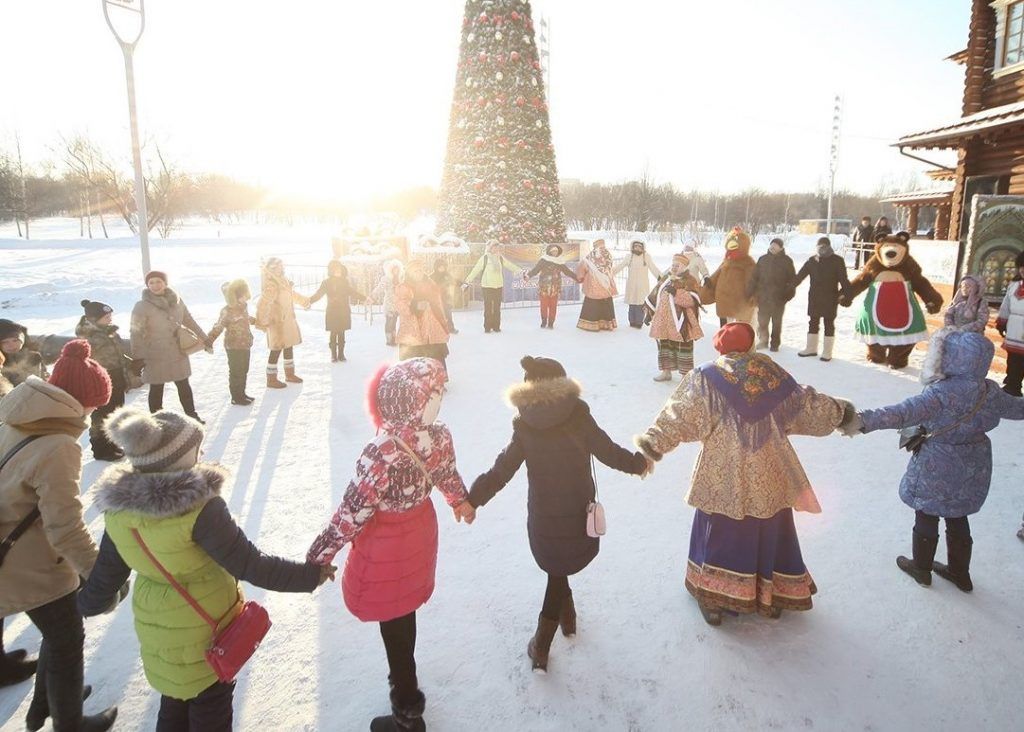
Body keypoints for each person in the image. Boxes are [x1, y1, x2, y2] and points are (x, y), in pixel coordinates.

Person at [78, 406, 332, 730]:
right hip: (207, 630)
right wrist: (309, 574)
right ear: (178, 459)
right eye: (196, 449)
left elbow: (106, 576)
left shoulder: (117, 512)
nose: (202, 453)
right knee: (210, 708)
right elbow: (250, 564)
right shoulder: (200, 509)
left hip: (158, 629)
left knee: (174, 701)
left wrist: (83, 605)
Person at [636, 323, 851, 626]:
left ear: (720, 348)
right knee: (769, 523)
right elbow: (807, 405)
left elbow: (678, 416)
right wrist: (841, 412)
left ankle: (713, 598)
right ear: (749, 347)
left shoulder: (705, 378)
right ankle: (771, 592)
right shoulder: (774, 376)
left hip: (723, 473)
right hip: (770, 472)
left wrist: (650, 447)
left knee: (720, 527)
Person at [307, 358, 473, 731]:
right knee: (402, 611)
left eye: (439, 393)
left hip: (388, 546)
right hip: (418, 533)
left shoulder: (384, 449)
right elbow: (444, 472)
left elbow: (353, 510)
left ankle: (407, 711)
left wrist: (319, 556)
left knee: (394, 619)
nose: (439, 400)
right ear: (408, 400)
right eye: (432, 394)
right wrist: (457, 500)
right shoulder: (437, 436)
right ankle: (406, 692)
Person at [467, 356, 649, 672]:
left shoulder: (525, 426)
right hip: (577, 509)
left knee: (556, 566)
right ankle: (558, 627)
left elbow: (502, 470)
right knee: (558, 569)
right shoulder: (578, 416)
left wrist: (473, 499)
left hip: (544, 514)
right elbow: (608, 451)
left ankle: (546, 639)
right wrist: (637, 463)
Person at [840, 330, 1024, 592]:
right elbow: (1018, 409)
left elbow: (902, 413)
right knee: (958, 513)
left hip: (937, 460)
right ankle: (960, 573)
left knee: (927, 509)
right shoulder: (990, 391)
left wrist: (862, 420)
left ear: (954, 358)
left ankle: (921, 568)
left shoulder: (940, 393)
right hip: (974, 461)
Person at [0, 341, 118, 731]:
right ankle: (69, 723)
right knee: (67, 638)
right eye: (94, 405)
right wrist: (99, 575)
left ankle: (45, 703)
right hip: (23, 561)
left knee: (57, 628)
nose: (93, 413)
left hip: (10, 545)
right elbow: (64, 524)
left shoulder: (16, 415)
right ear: (81, 401)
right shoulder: (58, 446)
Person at [130, 270, 210, 422]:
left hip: (177, 351)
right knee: (156, 388)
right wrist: (137, 357)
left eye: (158, 281)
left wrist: (204, 338)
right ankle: (157, 421)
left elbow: (188, 320)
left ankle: (192, 416)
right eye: (151, 282)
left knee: (184, 385)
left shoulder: (177, 301)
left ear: (165, 283)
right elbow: (135, 332)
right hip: (155, 354)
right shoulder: (142, 306)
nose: (155, 285)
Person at [76, 300, 133, 459]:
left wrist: (130, 363)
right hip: (99, 379)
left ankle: (112, 443)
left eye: (110, 315)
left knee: (115, 412)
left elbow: (117, 353)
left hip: (117, 376)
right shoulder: (87, 337)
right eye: (106, 316)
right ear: (93, 319)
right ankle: (100, 449)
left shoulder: (109, 331)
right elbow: (83, 361)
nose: (110, 318)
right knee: (101, 415)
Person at [645, 253, 704, 382]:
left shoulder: (690, 280)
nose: (674, 267)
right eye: (673, 265)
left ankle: (685, 376)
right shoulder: (666, 278)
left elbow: (694, 300)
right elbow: (655, 294)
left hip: (682, 323)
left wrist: (677, 293)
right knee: (665, 346)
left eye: (677, 265)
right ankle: (666, 372)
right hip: (664, 321)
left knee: (683, 348)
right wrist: (648, 313)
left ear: (684, 267)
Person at [256, 257, 311, 389]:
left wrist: (304, 301)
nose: (282, 268)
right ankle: (271, 378)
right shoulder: (272, 284)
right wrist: (261, 320)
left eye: (282, 266)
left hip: (287, 321)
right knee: (276, 349)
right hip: (277, 322)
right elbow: (263, 303)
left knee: (288, 346)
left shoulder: (282, 281)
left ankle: (289, 374)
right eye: (279, 266)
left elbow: (291, 294)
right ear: (273, 268)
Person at [793, 237, 850, 362]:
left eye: (825, 246)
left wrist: (847, 295)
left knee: (828, 323)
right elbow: (800, 276)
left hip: (830, 297)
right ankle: (811, 348)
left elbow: (844, 280)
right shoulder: (812, 260)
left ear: (829, 247)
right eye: (820, 246)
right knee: (813, 321)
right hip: (815, 296)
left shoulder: (837, 261)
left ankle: (827, 351)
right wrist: (788, 287)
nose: (822, 248)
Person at [207, 279, 257, 405]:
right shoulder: (227, 310)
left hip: (245, 343)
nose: (246, 298)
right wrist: (210, 339)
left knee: (244, 369)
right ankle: (236, 397)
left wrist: (255, 321)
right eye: (243, 296)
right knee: (236, 371)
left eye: (246, 296)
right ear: (235, 297)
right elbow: (219, 326)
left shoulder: (243, 307)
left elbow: (245, 318)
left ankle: (242, 393)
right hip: (233, 345)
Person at [396, 260, 451, 373]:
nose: (418, 273)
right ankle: (414, 378)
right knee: (413, 352)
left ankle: (436, 378)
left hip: (431, 323)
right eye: (415, 271)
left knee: (434, 351)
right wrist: (414, 306)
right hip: (412, 325)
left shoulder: (430, 284)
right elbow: (400, 304)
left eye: (420, 270)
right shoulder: (403, 287)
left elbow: (437, 302)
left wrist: (442, 320)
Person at [309, 260, 366, 363]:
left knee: (341, 333)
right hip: (332, 311)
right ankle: (333, 355)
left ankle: (341, 354)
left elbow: (352, 292)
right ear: (331, 270)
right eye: (335, 269)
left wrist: (364, 298)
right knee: (333, 332)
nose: (338, 271)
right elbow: (319, 294)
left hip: (343, 311)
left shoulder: (344, 281)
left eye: (339, 268)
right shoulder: (326, 282)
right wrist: (309, 301)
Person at [746, 238, 796, 352]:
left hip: (779, 297)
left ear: (781, 248)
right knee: (762, 321)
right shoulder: (763, 259)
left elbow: (792, 280)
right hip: (763, 296)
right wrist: (750, 292)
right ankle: (763, 341)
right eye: (772, 244)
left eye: (776, 245)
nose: (773, 246)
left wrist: (788, 295)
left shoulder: (787, 261)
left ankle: (775, 343)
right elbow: (754, 277)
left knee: (776, 322)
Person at [463, 240, 521, 333]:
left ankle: (496, 326)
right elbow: (475, 270)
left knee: (497, 308)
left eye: (497, 246)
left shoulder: (500, 258)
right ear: (490, 248)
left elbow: (510, 265)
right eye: (494, 246)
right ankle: (487, 327)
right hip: (487, 286)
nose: (496, 248)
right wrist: (467, 281)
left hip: (498, 286)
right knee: (488, 307)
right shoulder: (485, 258)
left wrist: (521, 272)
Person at [524, 244, 579, 329]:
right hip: (544, 287)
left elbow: (567, 272)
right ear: (549, 251)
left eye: (556, 251)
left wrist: (576, 277)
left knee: (553, 306)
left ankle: (551, 322)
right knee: (544, 305)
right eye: (553, 251)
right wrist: (528, 276)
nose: (555, 253)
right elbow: (536, 269)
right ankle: (544, 321)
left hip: (555, 287)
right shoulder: (544, 260)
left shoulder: (560, 261)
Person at [996, 251, 1024, 397]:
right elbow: (1005, 305)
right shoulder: (1014, 285)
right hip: (1014, 326)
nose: (1023, 270)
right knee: (1013, 358)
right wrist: (1002, 321)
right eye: (1021, 266)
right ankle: (1012, 384)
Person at [618, 240, 663, 329]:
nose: (637, 248)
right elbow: (620, 266)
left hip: (642, 285)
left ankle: (639, 321)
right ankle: (632, 321)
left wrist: (661, 278)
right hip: (631, 284)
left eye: (639, 247)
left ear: (642, 248)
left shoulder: (646, 257)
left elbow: (653, 268)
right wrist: (609, 273)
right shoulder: (629, 257)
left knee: (640, 304)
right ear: (632, 247)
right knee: (632, 303)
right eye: (636, 246)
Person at [576, 239, 619, 332]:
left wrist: (580, 277)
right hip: (606, 285)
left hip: (593, 285)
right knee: (606, 303)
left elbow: (582, 266)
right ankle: (607, 324)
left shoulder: (591, 256)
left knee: (592, 304)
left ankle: (591, 324)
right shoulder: (608, 255)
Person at [0, 319, 48, 386]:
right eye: (5, 342)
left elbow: (45, 378)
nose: (11, 345)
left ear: (22, 340)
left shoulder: (33, 357)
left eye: (15, 340)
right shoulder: (1, 362)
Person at [370, 260, 405, 347]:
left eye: (397, 269)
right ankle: (389, 339)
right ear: (391, 270)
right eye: (394, 269)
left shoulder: (401, 279)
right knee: (389, 322)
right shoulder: (386, 279)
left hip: (397, 304)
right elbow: (380, 288)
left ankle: (394, 338)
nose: (396, 271)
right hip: (389, 304)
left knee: (394, 322)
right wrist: (373, 295)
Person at [430, 260, 459, 334]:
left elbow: (454, 281)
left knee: (448, 313)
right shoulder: (432, 276)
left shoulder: (447, 275)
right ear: (436, 268)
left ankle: (451, 328)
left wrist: (462, 285)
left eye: (443, 267)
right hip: (436, 298)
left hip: (446, 297)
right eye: (440, 267)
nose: (442, 268)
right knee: (437, 314)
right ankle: (438, 329)